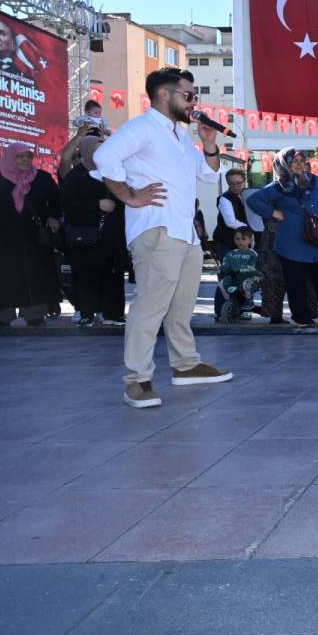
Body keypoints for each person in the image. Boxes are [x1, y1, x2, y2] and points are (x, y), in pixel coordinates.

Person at [91, 68, 231, 408]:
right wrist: (129, 195)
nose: (193, 102)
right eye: (188, 95)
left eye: (195, 96)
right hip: (156, 230)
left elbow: (208, 175)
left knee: (181, 307)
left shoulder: (179, 135)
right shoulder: (142, 127)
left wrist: (209, 144)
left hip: (185, 234)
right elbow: (103, 157)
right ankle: (136, 380)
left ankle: (186, 365)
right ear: (164, 95)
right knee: (150, 307)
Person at [246, 147, 318, 326]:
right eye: (294, 161)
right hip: (292, 243)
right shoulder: (278, 187)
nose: (299, 165)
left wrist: (317, 210)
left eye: (302, 161)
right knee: (296, 283)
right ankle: (301, 318)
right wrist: (273, 213)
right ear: (284, 164)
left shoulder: (314, 181)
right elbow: (253, 200)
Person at [59, 134, 128, 326]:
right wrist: (96, 204)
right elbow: (66, 204)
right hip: (86, 236)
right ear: (87, 152)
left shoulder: (113, 173)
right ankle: (86, 313)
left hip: (112, 234)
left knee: (113, 274)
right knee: (86, 275)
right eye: (97, 150)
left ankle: (112, 314)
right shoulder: (76, 175)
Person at [0, 142, 61, 327]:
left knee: (35, 273)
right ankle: (2, 316)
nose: (25, 160)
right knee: (4, 275)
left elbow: (56, 200)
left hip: (34, 236)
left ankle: (34, 315)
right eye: (20, 157)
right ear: (9, 158)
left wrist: (53, 216)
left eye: (28, 156)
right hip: (1, 237)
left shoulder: (41, 178)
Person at [212, 168, 251, 321]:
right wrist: (250, 227)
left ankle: (240, 309)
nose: (235, 186)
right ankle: (220, 311)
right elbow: (230, 222)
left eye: (239, 183)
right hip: (227, 242)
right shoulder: (224, 199)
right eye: (232, 183)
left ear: (244, 181)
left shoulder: (246, 196)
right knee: (226, 277)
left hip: (243, 243)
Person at [217, 226, 263, 316]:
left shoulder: (253, 254)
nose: (240, 241)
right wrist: (221, 268)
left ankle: (248, 301)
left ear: (250, 240)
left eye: (243, 239)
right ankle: (227, 302)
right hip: (234, 278)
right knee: (221, 284)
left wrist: (241, 269)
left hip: (249, 278)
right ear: (234, 240)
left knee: (246, 284)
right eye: (237, 239)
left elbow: (252, 267)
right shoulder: (231, 254)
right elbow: (225, 265)